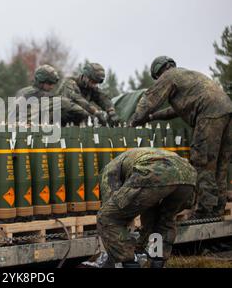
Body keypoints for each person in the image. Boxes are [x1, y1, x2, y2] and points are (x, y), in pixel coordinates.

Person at [130, 56, 232, 219]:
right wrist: (151, 118)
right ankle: (218, 209)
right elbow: (173, 111)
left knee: (202, 162)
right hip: (226, 110)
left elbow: (150, 99)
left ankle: (205, 211)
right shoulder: (187, 77)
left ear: (159, 72)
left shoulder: (169, 76)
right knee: (220, 164)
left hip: (208, 113)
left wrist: (134, 120)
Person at [96, 148, 197, 268]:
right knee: (163, 219)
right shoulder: (135, 157)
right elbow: (148, 215)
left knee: (107, 216)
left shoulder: (109, 170)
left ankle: (129, 263)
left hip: (153, 172)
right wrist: (140, 245)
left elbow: (114, 212)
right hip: (188, 175)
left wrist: (118, 251)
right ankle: (156, 262)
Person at [13, 64, 91, 126]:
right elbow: (64, 103)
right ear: (41, 82)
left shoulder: (22, 91)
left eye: (53, 84)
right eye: (49, 83)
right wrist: (88, 115)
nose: (52, 87)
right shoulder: (39, 95)